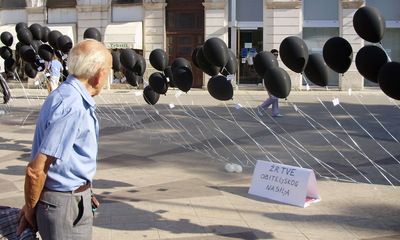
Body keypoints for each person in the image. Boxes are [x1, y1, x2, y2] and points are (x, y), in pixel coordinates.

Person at [17, 39, 112, 240]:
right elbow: (36, 170)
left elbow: (66, 159)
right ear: (98, 74)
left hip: (72, 200)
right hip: (64, 207)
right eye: (108, 70)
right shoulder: (72, 105)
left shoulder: (66, 94)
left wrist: (84, 190)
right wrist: (30, 210)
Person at [258, 49, 283, 117]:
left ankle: (275, 112)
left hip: (275, 82)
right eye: (274, 54)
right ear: (271, 55)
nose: (276, 56)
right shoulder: (268, 62)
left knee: (276, 97)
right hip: (269, 81)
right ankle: (261, 107)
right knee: (273, 97)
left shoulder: (276, 62)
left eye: (277, 54)